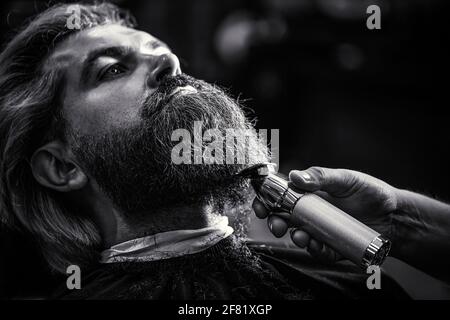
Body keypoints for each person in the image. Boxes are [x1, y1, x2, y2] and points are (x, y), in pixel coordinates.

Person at [0, 2, 448, 299]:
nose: (170, 63)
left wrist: (399, 224)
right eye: (114, 69)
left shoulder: (349, 285)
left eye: (163, 53)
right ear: (61, 166)